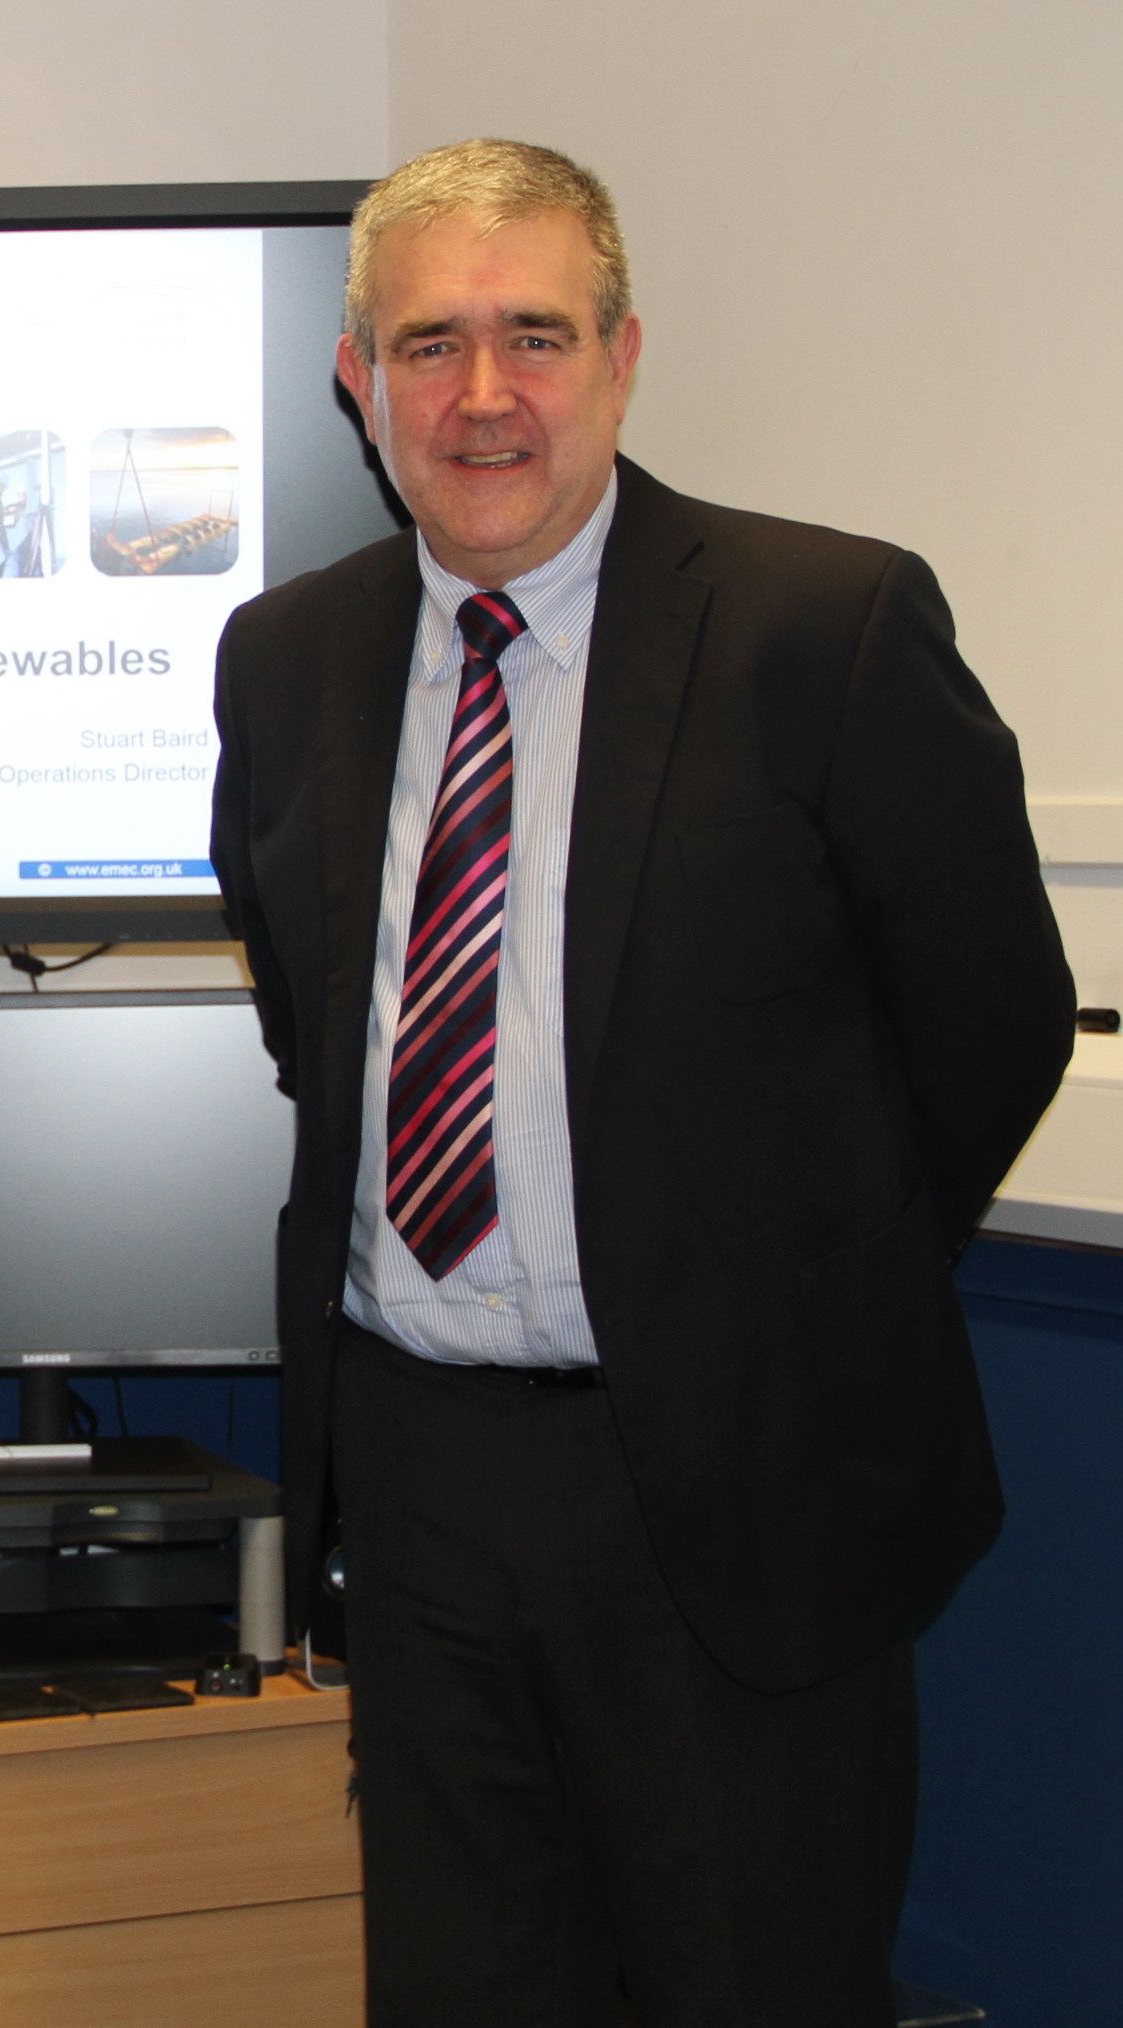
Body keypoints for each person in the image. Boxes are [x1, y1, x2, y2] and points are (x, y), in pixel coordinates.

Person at [209, 140, 1072, 2026]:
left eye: (534, 335)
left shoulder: (820, 630)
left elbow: (993, 1021)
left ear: (620, 356)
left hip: (734, 1496)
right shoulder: (286, 658)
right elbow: (315, 1027)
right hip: (419, 1488)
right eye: (427, 344)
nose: (482, 395)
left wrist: (781, 1295)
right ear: (356, 379)